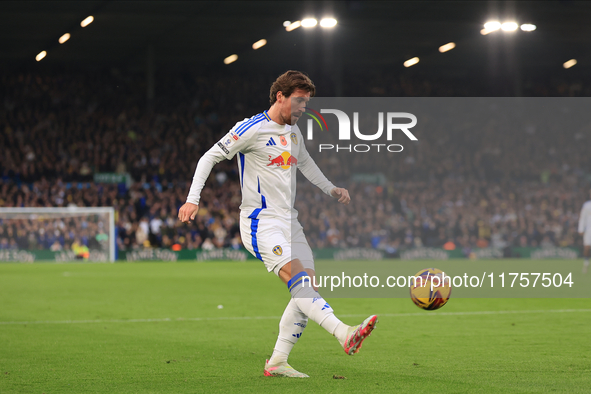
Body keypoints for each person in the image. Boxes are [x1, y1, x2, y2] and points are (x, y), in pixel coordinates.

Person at [178, 70, 377, 378]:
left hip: (289, 221)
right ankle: (344, 333)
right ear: (279, 96)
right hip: (260, 221)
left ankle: (277, 361)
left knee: (306, 289)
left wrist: (331, 189)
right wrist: (193, 199)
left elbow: (306, 162)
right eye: (299, 101)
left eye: (307, 103)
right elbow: (209, 157)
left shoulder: (294, 133)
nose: (303, 108)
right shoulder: (251, 128)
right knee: (300, 283)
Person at [578, 189, 591, 274]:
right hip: (589, 230)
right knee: (587, 247)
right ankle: (586, 265)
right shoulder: (586, 205)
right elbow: (582, 218)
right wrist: (581, 229)